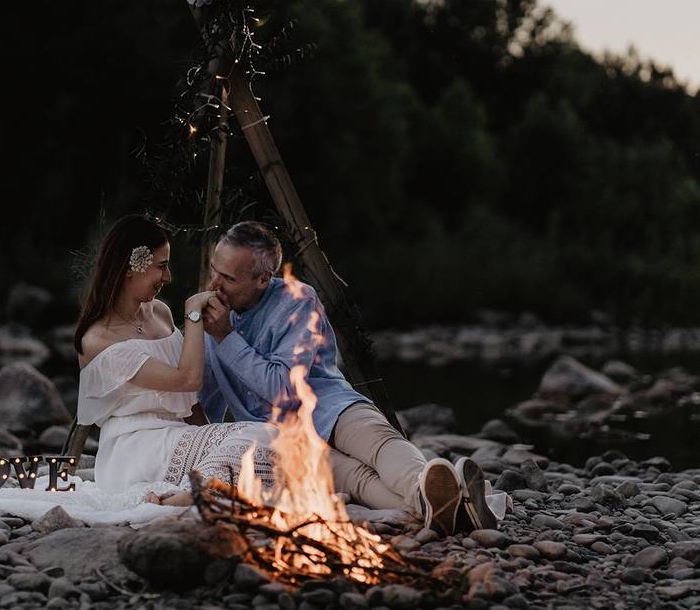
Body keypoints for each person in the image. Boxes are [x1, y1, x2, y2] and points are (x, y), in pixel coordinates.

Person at [198, 221, 496, 534]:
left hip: (330, 406)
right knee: (357, 480)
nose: (215, 283)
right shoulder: (213, 320)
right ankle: (449, 508)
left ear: (262, 279)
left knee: (381, 444)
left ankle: (430, 498)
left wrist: (226, 338)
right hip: (284, 440)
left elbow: (284, 389)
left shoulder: (297, 301)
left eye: (228, 278)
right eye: (214, 269)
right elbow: (206, 401)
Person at [74, 215, 276, 505]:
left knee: (277, 448)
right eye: (162, 266)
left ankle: (193, 492)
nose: (168, 277)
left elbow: (190, 401)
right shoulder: (98, 339)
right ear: (131, 266)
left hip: (174, 436)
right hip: (135, 447)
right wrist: (193, 312)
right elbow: (188, 379)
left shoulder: (159, 313)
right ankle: (194, 494)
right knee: (263, 435)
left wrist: (212, 436)